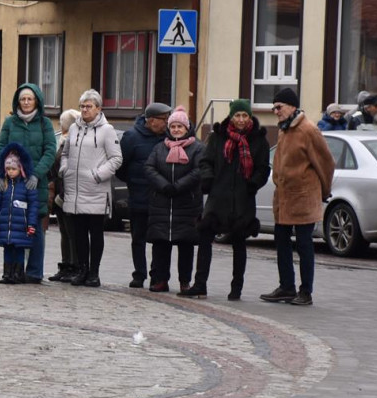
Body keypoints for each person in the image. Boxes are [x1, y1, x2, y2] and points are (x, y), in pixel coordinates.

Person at [262, 87, 335, 306]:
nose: (275, 111)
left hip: (303, 197)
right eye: (274, 107)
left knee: (304, 245)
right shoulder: (285, 128)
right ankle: (286, 287)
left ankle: (305, 292)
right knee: (282, 242)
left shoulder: (308, 130)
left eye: (279, 107)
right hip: (283, 197)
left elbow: (326, 162)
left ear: (292, 106)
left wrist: (323, 191)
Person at [191, 99, 271, 300]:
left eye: (245, 115)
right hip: (218, 197)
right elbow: (205, 161)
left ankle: (236, 288)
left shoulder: (258, 140)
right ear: (231, 116)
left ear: (249, 116)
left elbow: (263, 168)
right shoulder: (218, 136)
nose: (241, 119)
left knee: (239, 243)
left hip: (243, 199)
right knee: (205, 238)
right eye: (237, 115)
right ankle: (200, 284)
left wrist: (254, 183)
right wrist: (208, 179)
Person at [59, 89, 123, 288]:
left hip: (95, 190)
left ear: (98, 108)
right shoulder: (75, 129)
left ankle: (94, 272)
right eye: (82, 106)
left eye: (89, 106)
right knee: (78, 233)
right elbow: (65, 152)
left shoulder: (107, 130)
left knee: (95, 233)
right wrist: (65, 168)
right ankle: (82, 269)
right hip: (75, 190)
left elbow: (116, 158)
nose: (85, 110)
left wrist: (98, 174)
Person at [0, 84, 57, 282]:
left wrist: (36, 174)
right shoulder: (10, 123)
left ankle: (34, 272)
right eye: (23, 99)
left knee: (35, 225)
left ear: (36, 100)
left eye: (30, 99)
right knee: (14, 225)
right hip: (12, 182)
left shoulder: (44, 124)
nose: (27, 102)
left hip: (35, 183)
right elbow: (1, 148)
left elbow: (50, 150)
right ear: (18, 101)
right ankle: (14, 271)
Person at [144, 106, 205, 293]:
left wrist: (179, 186)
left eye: (180, 126)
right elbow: (149, 168)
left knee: (185, 246)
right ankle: (160, 279)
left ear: (187, 128)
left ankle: (185, 281)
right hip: (162, 204)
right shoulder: (159, 147)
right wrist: (164, 185)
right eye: (173, 126)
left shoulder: (198, 148)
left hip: (186, 204)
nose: (176, 130)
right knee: (161, 245)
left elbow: (199, 170)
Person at [116, 101, 171, 288]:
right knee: (138, 239)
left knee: (160, 240)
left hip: (161, 199)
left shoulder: (168, 138)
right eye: (164, 119)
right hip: (138, 196)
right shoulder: (131, 137)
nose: (167, 123)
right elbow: (120, 167)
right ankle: (139, 274)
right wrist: (133, 181)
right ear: (151, 120)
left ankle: (158, 276)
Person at [0, 144, 40, 284]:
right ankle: (7, 273)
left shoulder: (27, 185)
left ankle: (18, 274)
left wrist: (31, 224)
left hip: (21, 226)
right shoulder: (3, 184)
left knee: (19, 250)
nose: (11, 172)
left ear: (21, 168)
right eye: (8, 169)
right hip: (6, 225)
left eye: (14, 169)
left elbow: (33, 206)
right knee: (7, 250)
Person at [47, 109, 82, 282]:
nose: (61, 126)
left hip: (69, 193)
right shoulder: (62, 142)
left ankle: (74, 266)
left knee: (71, 232)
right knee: (64, 231)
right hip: (60, 194)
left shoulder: (73, 143)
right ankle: (66, 265)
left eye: (62, 123)